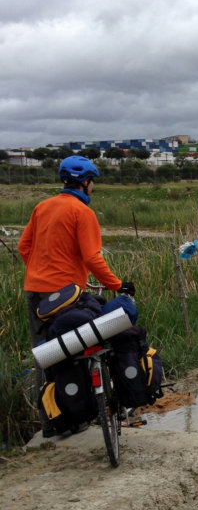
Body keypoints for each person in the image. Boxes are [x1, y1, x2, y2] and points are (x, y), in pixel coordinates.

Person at [18, 155, 135, 437]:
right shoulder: (82, 212)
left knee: (46, 355)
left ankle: (53, 423)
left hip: (35, 290)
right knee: (80, 348)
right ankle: (82, 411)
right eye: (92, 182)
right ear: (85, 182)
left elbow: (24, 247)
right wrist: (117, 284)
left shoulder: (42, 207)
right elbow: (92, 257)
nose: (92, 187)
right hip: (66, 295)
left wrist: (40, 273)